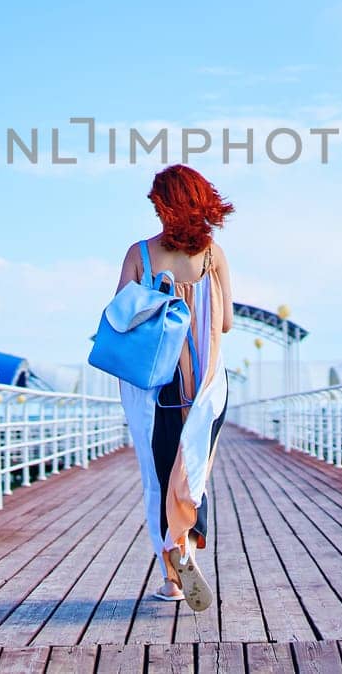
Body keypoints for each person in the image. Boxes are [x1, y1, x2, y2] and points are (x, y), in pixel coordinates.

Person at [114, 164, 234, 612]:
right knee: (192, 473)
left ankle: (172, 576)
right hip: (204, 384)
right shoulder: (212, 255)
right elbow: (225, 323)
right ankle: (187, 542)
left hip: (152, 386)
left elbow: (119, 320)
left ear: (163, 205)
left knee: (158, 475)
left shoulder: (139, 255)